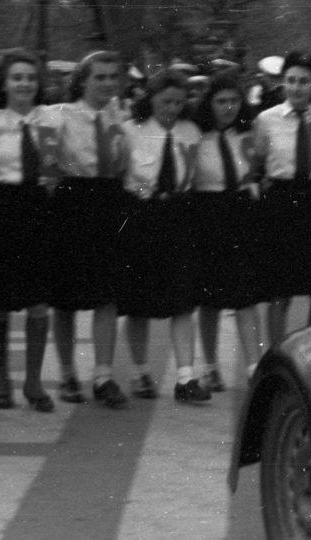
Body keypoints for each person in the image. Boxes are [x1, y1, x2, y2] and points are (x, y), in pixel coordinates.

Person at [115, 70, 210, 403]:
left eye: (179, 102)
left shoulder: (190, 132)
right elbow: (123, 176)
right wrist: (148, 191)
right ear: (151, 98)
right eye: (165, 100)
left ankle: (185, 376)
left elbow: (195, 174)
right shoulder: (130, 131)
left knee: (183, 300)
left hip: (179, 217)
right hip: (142, 217)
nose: (172, 107)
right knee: (138, 302)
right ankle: (141, 372)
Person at [46, 51, 131, 408]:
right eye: (100, 77)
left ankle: (103, 376)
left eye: (113, 77)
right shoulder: (59, 116)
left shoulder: (123, 118)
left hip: (109, 200)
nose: (108, 83)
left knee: (107, 294)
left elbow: (132, 169)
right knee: (65, 299)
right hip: (72, 202)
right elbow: (48, 164)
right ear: (82, 80)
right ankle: (66, 374)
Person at [0, 53, 56, 411]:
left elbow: (62, 162)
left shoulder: (51, 120)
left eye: (30, 77)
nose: (24, 83)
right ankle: (2, 379)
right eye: (16, 78)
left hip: (40, 208)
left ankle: (33, 382)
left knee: (38, 301)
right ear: (3, 84)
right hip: (2, 211)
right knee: (0, 303)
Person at [252, 51, 311, 347]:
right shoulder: (267, 119)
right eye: (291, 81)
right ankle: (275, 352)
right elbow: (259, 161)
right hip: (280, 202)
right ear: (283, 83)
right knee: (280, 289)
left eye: (304, 81)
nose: (297, 87)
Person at [190, 71, 264, 389]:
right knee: (209, 298)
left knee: (245, 295)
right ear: (210, 103)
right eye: (221, 101)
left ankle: (252, 365)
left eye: (234, 100)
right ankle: (209, 365)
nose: (228, 107)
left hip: (242, 212)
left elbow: (261, 167)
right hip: (208, 213)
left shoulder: (249, 133)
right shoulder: (197, 135)